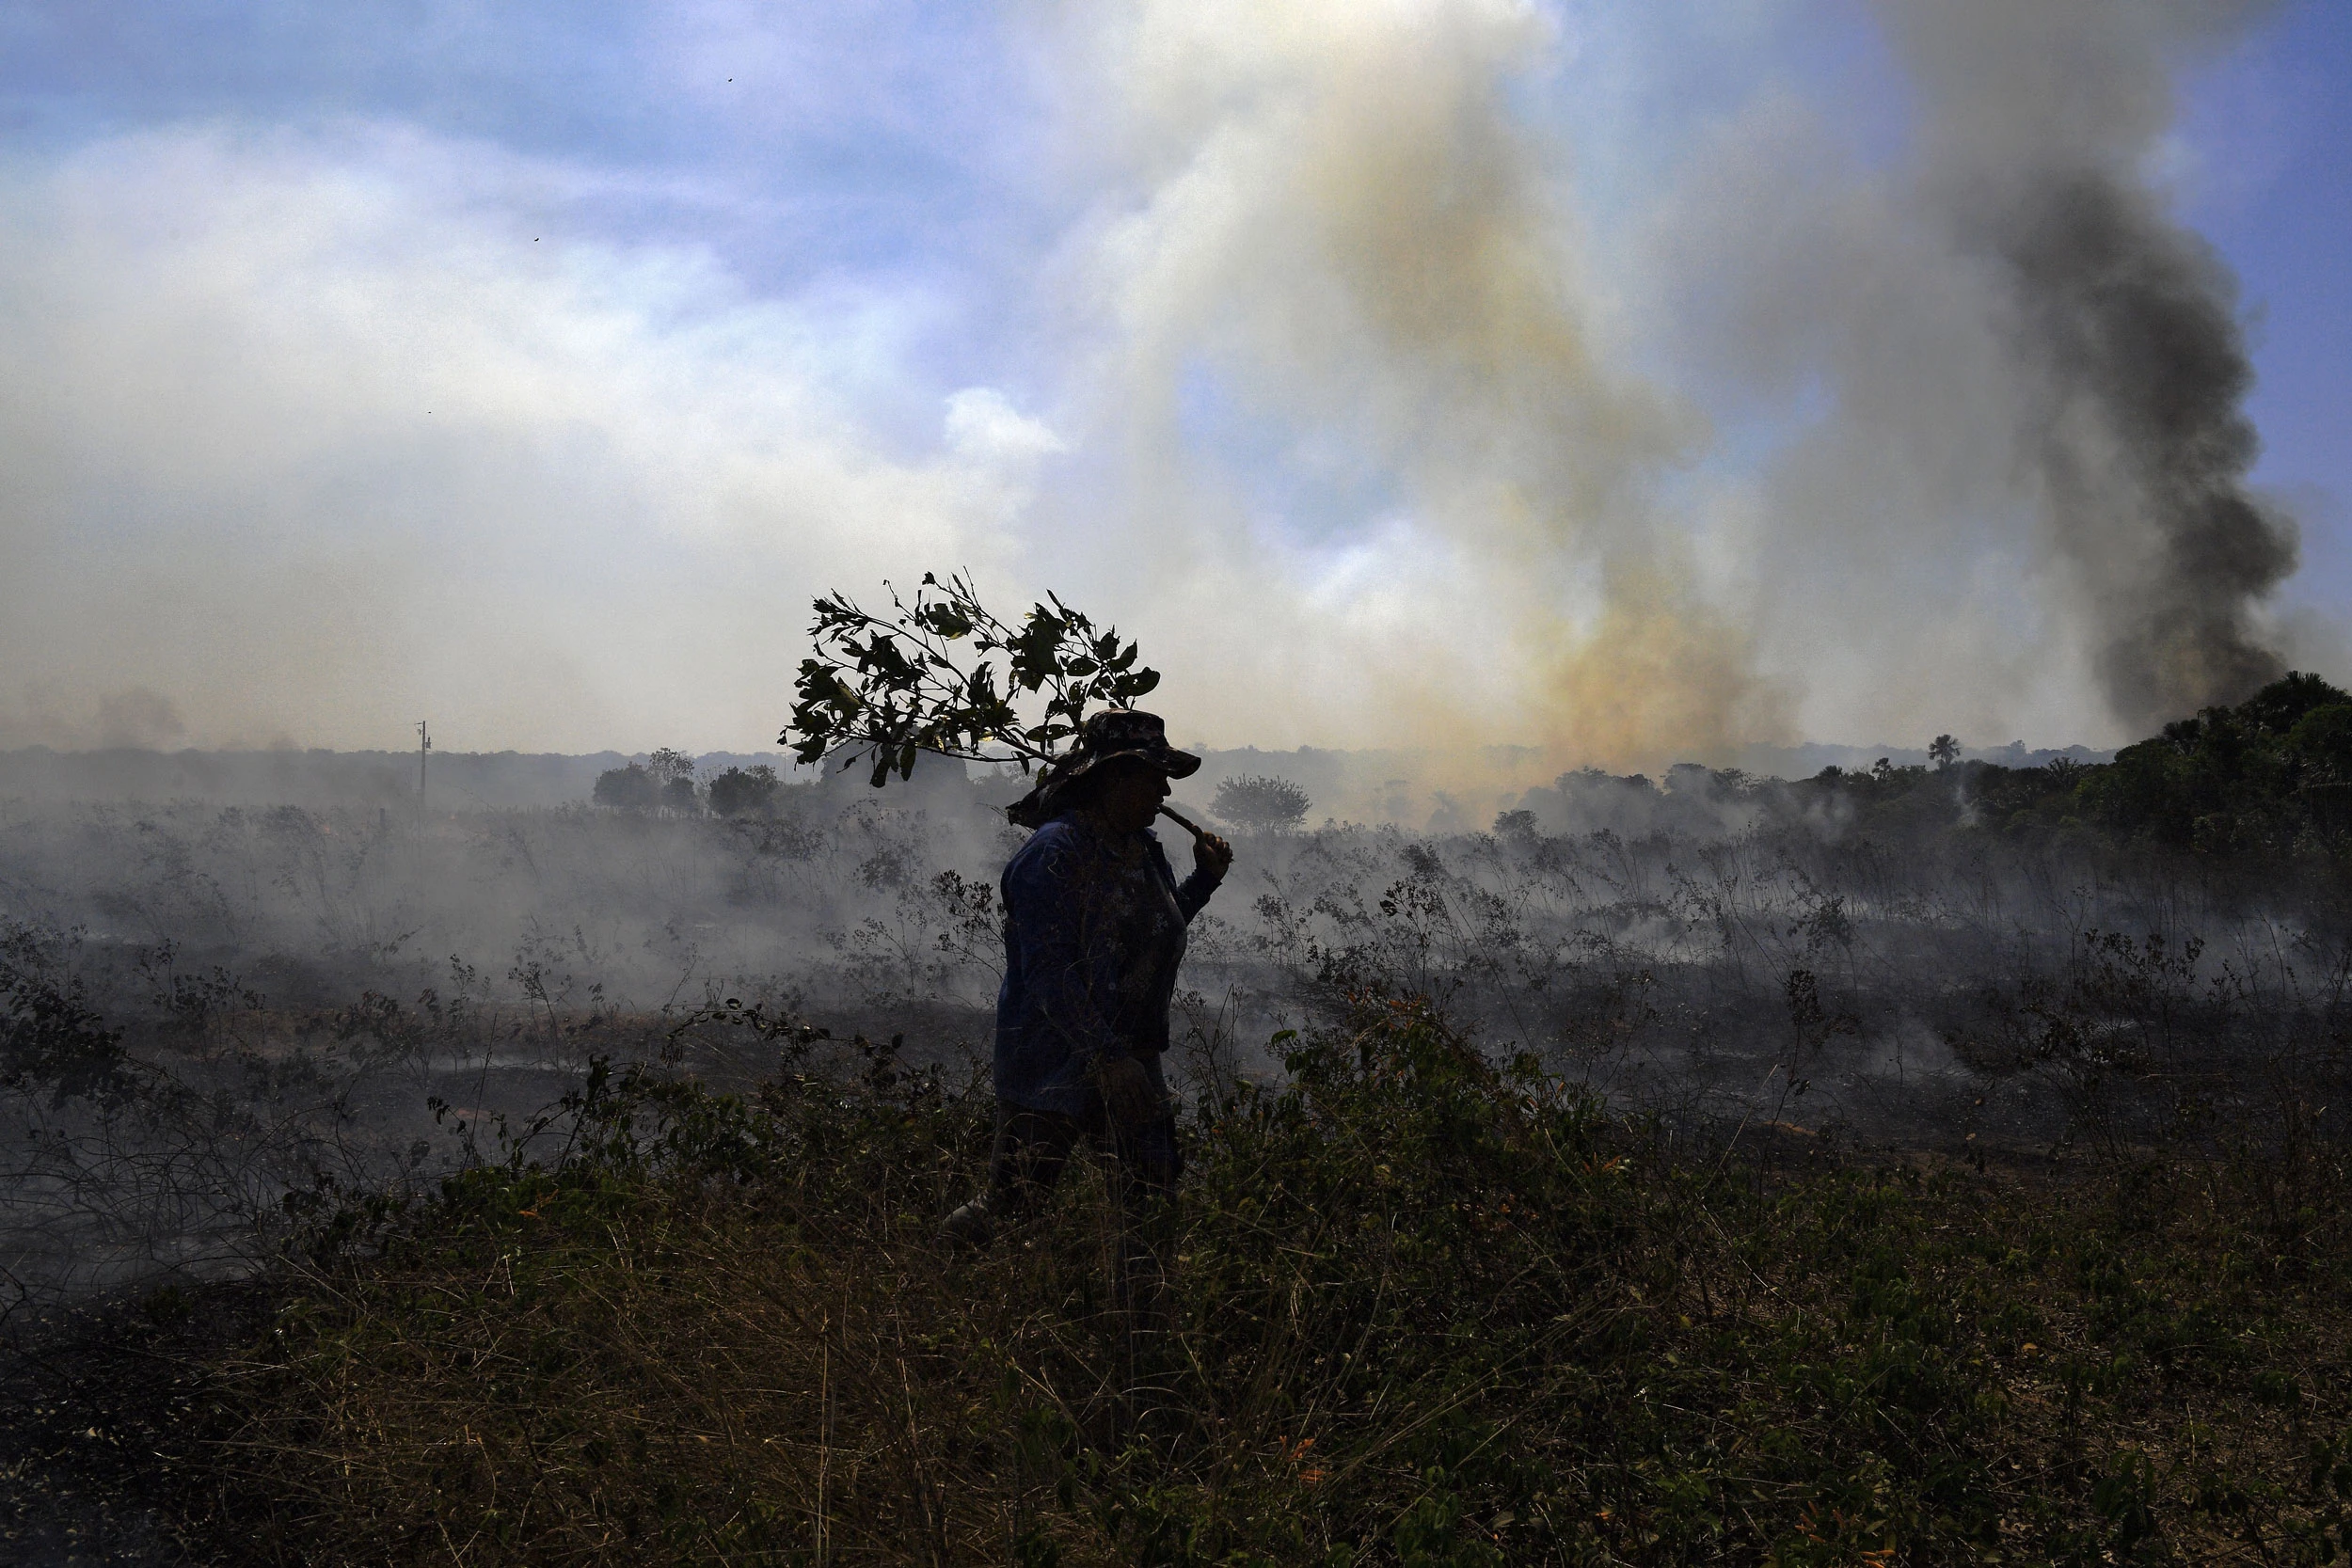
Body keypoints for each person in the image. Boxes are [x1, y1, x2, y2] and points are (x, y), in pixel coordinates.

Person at [943, 709, 1232, 1275]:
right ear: (1111, 780)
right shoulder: (1053, 855)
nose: (1165, 791)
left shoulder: (1141, 850)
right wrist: (1104, 1058)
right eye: (1152, 778)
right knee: (1015, 1203)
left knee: (1150, 1196)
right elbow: (1050, 975)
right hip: (1053, 1063)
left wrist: (1204, 881)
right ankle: (938, 1277)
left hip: (1131, 1056)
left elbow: (1152, 931)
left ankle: (1137, 1326)